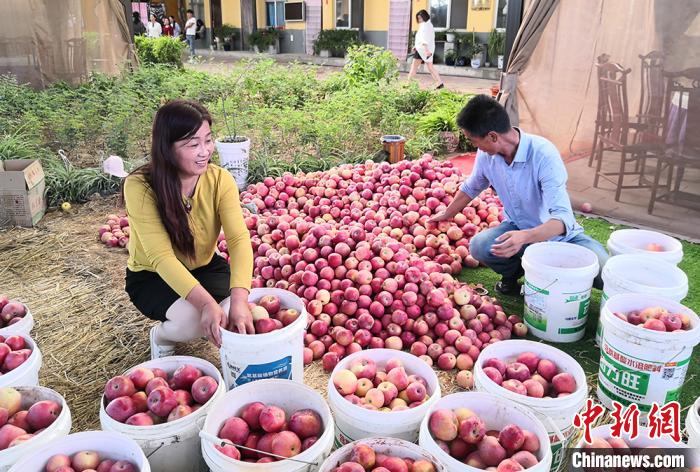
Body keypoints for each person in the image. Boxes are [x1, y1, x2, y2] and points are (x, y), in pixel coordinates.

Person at [429, 95, 609, 295]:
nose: (474, 147)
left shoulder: (543, 154)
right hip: (518, 228)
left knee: (607, 275)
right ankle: (513, 274)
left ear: (493, 136)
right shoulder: (487, 156)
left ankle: (542, 271)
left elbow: (562, 220)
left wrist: (525, 237)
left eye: (474, 140)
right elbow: (472, 187)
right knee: (480, 246)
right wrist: (447, 213)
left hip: (561, 238)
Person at [123, 100, 254, 360]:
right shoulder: (141, 186)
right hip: (152, 275)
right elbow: (161, 257)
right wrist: (205, 303)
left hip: (204, 266)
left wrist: (239, 299)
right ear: (167, 149)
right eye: (193, 144)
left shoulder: (220, 180)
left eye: (208, 140)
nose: (204, 151)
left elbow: (238, 240)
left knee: (234, 310)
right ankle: (161, 336)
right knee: (192, 323)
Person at [407, 10, 444, 90]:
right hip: (424, 49)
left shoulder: (425, 26)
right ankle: (440, 83)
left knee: (414, 67)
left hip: (423, 50)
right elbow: (422, 38)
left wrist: (426, 50)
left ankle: (408, 84)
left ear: (425, 17)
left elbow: (424, 39)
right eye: (418, 18)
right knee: (430, 68)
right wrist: (416, 46)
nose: (419, 20)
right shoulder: (428, 25)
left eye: (420, 18)